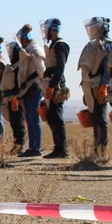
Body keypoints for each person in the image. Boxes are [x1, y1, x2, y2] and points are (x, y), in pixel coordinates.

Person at [77, 16, 112, 161]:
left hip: (99, 86)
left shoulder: (108, 45)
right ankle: (96, 149)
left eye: (94, 27)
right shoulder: (92, 45)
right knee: (95, 119)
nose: (91, 30)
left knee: (101, 119)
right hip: (89, 87)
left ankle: (101, 152)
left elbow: (108, 68)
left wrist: (104, 86)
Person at [41, 18, 70, 158]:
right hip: (50, 82)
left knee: (57, 117)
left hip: (57, 84)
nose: (45, 32)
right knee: (51, 116)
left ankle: (62, 150)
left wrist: (52, 86)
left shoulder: (60, 45)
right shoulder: (53, 44)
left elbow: (60, 68)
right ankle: (57, 148)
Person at [15, 24, 45, 157]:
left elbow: (42, 71)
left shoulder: (35, 51)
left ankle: (37, 147)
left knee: (34, 118)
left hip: (35, 88)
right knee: (29, 118)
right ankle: (32, 146)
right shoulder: (26, 51)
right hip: (27, 89)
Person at [1, 41, 27, 153]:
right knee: (14, 123)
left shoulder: (19, 67)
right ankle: (16, 145)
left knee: (18, 123)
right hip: (9, 99)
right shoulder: (12, 67)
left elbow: (20, 84)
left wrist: (16, 98)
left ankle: (20, 145)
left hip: (16, 99)